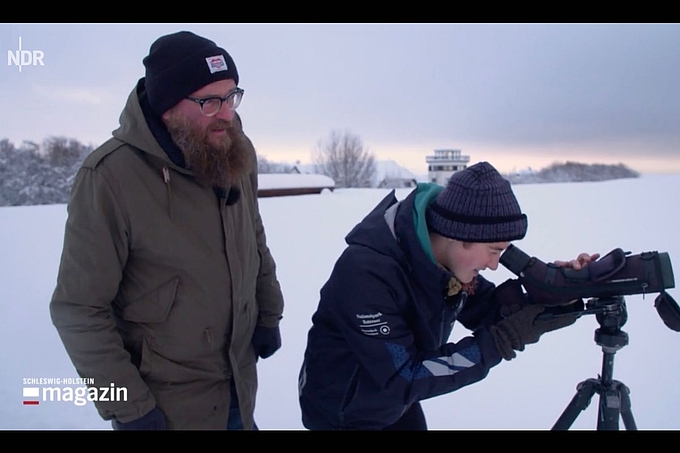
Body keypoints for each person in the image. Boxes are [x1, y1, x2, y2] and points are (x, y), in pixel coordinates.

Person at [50, 31, 285, 430]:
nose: (226, 113)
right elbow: (79, 308)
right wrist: (127, 406)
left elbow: (254, 236)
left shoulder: (233, 151)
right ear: (167, 105)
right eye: (209, 101)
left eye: (231, 96)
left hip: (237, 388)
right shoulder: (110, 177)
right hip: (164, 407)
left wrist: (269, 311)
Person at [298, 161, 598, 430]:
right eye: (494, 251)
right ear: (460, 236)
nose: (494, 265)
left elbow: (490, 308)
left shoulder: (442, 262)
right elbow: (405, 375)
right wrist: (502, 341)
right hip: (344, 414)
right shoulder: (366, 274)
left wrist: (557, 294)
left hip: (395, 402)